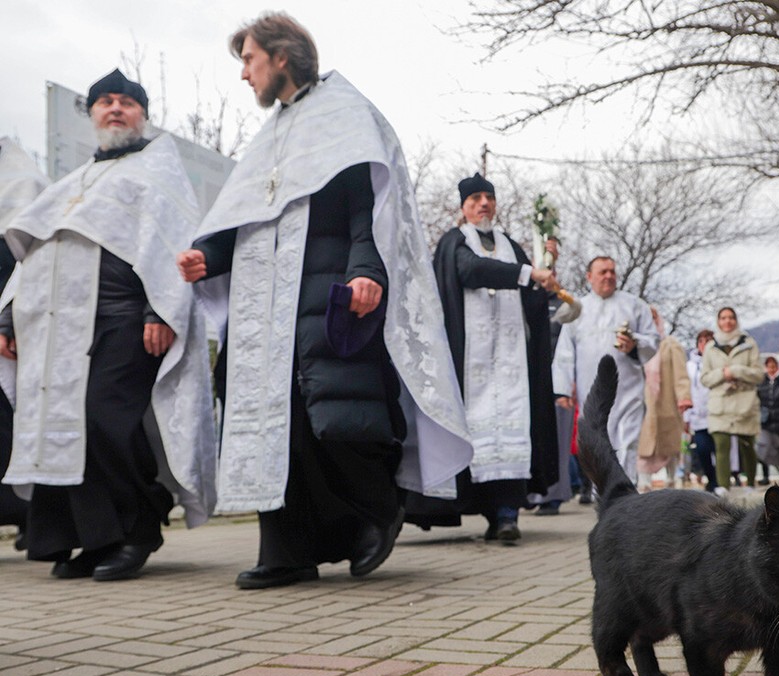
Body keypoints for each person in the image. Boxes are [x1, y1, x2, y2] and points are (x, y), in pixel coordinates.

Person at [178, 14, 470, 588]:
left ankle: (378, 512)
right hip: (265, 309)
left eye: (249, 59)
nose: (244, 74)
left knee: (332, 421)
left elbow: (369, 210)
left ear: (280, 58)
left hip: (324, 294)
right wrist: (208, 257)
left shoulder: (342, 114)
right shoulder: (270, 137)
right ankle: (286, 549)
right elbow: (245, 217)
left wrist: (367, 273)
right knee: (277, 427)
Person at [0, 69, 216, 581]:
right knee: (67, 427)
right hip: (62, 325)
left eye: (127, 102)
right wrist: (10, 318)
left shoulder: (157, 174)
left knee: (105, 419)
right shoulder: (72, 184)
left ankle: (139, 529)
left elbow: (171, 245)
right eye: (105, 102)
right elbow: (34, 256)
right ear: (93, 114)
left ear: (143, 116)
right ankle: (94, 539)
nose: (116, 109)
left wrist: (160, 310)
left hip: (126, 318)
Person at [403, 172, 558, 544]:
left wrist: (548, 291)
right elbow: (469, 271)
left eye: (488, 197)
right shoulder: (455, 241)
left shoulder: (511, 246)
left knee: (511, 429)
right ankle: (466, 506)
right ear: (464, 207)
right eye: (475, 200)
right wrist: (527, 273)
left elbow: (530, 299)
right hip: (467, 363)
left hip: (510, 366)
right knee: (475, 430)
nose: (483, 204)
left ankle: (505, 515)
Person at [553, 256, 659, 484]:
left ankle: (626, 494)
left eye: (612, 271)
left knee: (627, 439)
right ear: (589, 277)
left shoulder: (634, 305)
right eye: (602, 272)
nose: (609, 276)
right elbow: (564, 353)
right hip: (589, 389)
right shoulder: (576, 309)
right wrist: (563, 389)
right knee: (597, 440)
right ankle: (602, 494)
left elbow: (653, 340)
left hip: (627, 387)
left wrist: (634, 344)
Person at [0, 137, 48, 549]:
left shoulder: (24, 181)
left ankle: (32, 516)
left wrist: (9, 320)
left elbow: (30, 260)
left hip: (12, 320)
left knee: (14, 419)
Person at [528, 237, 576, 515]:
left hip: (558, 385)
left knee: (558, 444)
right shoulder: (529, 302)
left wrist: (566, 386)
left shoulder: (564, 305)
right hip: (533, 384)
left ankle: (555, 496)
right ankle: (535, 494)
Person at [700, 306, 763, 490]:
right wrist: (722, 374)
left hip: (745, 403)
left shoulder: (749, 344)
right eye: (723, 318)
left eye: (731, 317)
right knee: (721, 445)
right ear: (718, 321)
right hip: (720, 404)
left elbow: (759, 375)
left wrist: (737, 371)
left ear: (736, 320)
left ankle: (750, 483)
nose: (727, 321)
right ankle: (723, 487)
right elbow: (705, 378)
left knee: (747, 445)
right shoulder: (711, 348)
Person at [636, 306, 691, 490]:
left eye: (653, 317)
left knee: (670, 444)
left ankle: (671, 480)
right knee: (642, 445)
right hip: (643, 403)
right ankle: (643, 483)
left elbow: (681, 373)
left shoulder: (670, 344)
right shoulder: (636, 344)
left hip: (667, 402)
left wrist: (684, 397)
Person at [685, 329, 720, 491]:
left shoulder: (719, 362)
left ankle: (720, 481)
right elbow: (685, 391)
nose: (705, 345)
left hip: (718, 415)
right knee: (702, 449)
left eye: (709, 341)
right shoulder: (690, 367)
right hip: (698, 416)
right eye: (702, 341)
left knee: (720, 450)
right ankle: (711, 479)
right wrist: (686, 417)